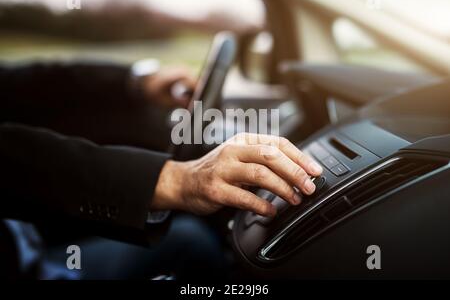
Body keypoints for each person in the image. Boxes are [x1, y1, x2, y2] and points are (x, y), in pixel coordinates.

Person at [0, 60, 322, 279]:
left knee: (188, 235)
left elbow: (24, 82)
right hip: (26, 265)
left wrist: (134, 81)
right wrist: (176, 180)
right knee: (192, 243)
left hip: (26, 243)